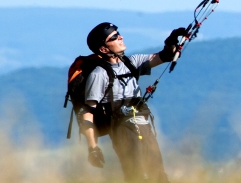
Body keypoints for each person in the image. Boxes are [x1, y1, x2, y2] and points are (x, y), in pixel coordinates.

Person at [78, 22, 184, 182]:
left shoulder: (132, 62)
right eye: (114, 37)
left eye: (118, 33)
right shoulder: (99, 74)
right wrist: (92, 148)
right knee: (137, 176)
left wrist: (170, 42)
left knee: (159, 176)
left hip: (144, 127)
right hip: (123, 132)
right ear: (104, 49)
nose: (120, 37)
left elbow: (166, 56)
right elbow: (88, 112)